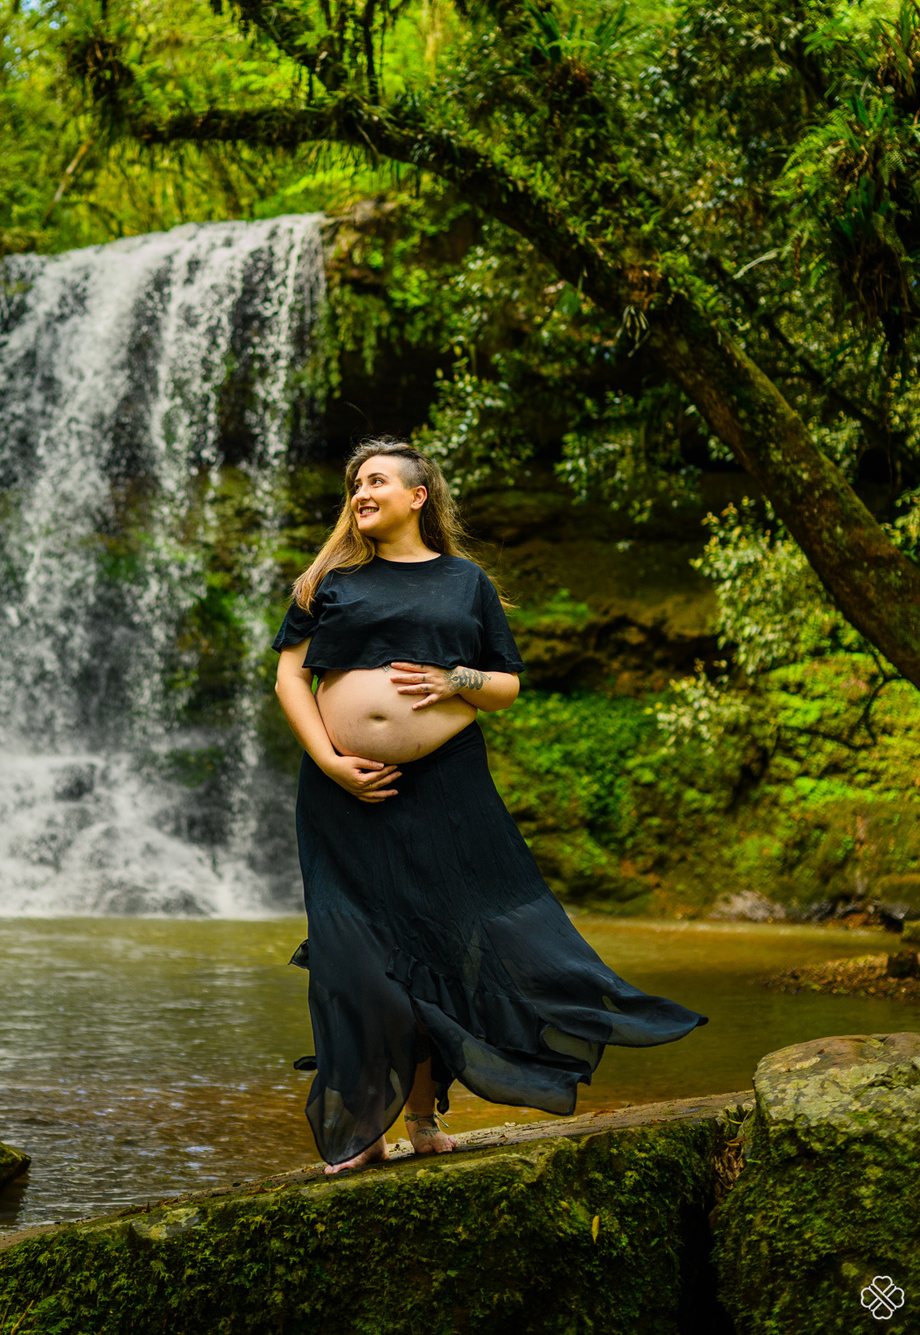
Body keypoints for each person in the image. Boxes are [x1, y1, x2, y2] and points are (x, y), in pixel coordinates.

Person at [272, 437, 707, 1176]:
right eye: (353, 485)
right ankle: (359, 1122)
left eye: (375, 480)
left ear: (419, 496)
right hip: (343, 792)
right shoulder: (329, 581)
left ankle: (419, 1114)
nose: (359, 493)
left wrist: (453, 680)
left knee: (443, 945)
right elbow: (289, 677)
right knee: (352, 958)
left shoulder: (464, 580)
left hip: (446, 788)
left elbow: (503, 683)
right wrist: (329, 760)